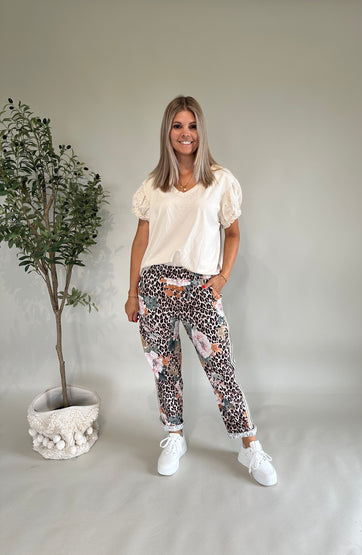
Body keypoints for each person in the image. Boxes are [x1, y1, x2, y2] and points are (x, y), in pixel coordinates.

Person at [125, 96, 277, 486]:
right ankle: (175, 436)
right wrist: (132, 293)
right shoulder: (153, 185)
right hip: (154, 287)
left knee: (221, 368)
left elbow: (233, 233)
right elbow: (140, 240)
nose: (185, 133)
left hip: (200, 287)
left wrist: (222, 276)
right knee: (164, 369)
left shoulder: (220, 180)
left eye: (192, 126)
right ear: (167, 131)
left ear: (201, 131)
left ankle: (249, 445)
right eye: (178, 125)